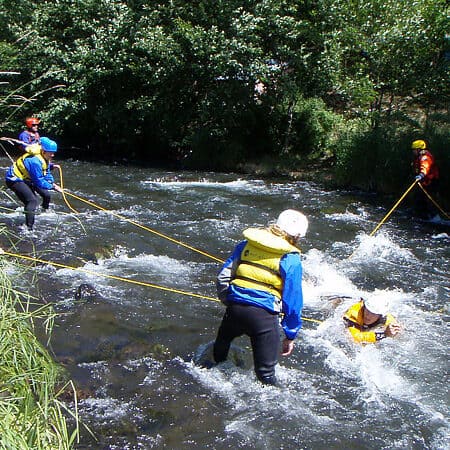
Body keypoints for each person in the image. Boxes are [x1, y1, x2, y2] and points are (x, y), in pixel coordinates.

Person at [213, 209, 308, 385]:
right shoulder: (291, 258)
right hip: (263, 317)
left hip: (234, 310)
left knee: (220, 350)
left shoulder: (245, 245)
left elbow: (223, 277)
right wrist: (290, 334)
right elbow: (293, 301)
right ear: (298, 235)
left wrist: (231, 301)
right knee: (266, 375)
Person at [5, 136, 62, 230]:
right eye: (51, 153)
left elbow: (46, 172)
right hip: (15, 179)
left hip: (28, 178)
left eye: (53, 153)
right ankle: (28, 229)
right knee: (32, 201)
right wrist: (52, 187)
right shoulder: (34, 161)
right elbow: (38, 181)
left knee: (46, 194)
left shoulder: (45, 156)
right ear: (43, 151)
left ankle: (44, 212)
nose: (53, 155)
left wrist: (51, 182)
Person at [411, 139, 440, 220]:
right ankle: (421, 215)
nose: (413, 151)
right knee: (419, 198)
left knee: (429, 200)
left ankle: (434, 218)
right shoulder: (418, 157)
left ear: (419, 149)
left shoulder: (425, 157)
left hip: (431, 182)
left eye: (414, 150)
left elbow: (425, 167)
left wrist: (421, 175)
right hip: (424, 182)